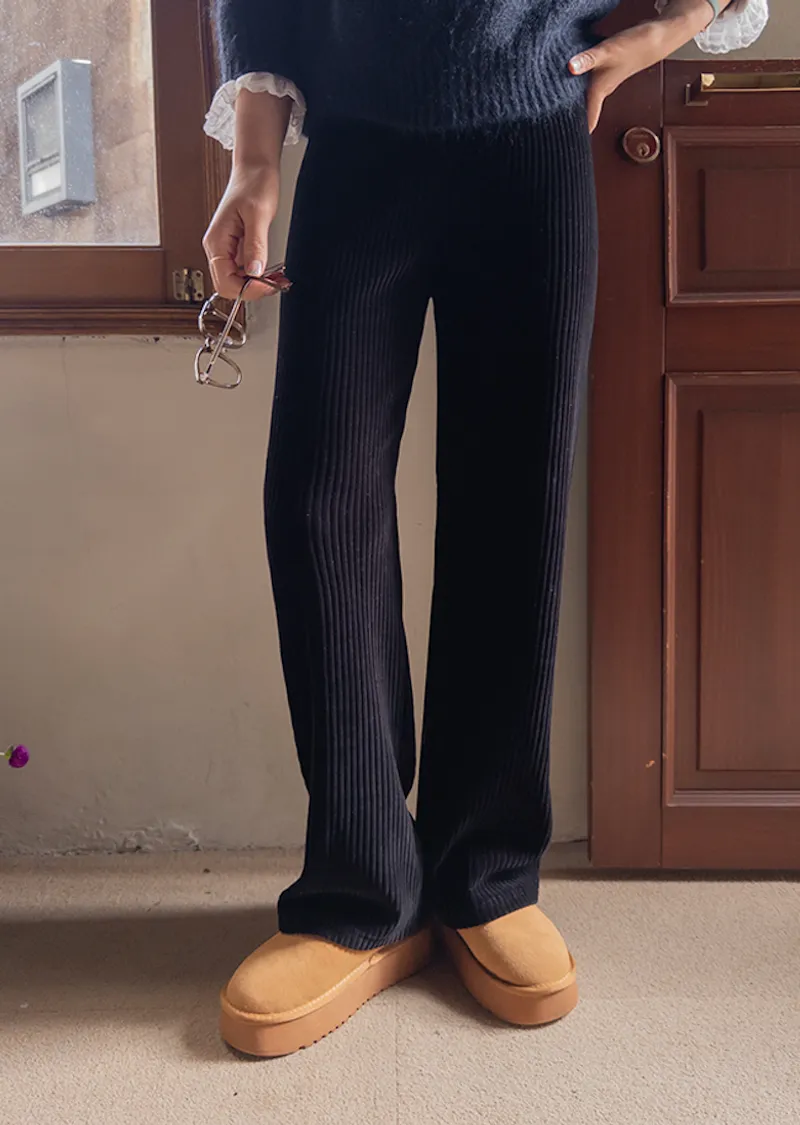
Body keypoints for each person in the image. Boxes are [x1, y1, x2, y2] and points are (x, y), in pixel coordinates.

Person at [203, 0, 768, 1057]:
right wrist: (253, 163)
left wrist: (676, 23)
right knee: (319, 504)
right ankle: (359, 889)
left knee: (512, 501)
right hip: (357, 147)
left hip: (533, 142)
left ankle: (486, 874)